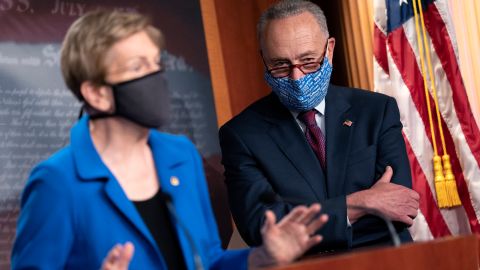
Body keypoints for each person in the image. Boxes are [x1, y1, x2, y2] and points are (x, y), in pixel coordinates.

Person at [11, 10, 329, 270]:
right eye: (138, 67)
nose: (156, 79)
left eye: (156, 65)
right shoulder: (57, 181)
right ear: (96, 93)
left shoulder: (181, 156)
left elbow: (208, 261)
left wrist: (262, 258)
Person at [219, 0, 420, 252]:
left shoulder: (376, 111)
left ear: (330, 50)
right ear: (264, 58)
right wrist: (361, 202)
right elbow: (260, 229)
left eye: (308, 61)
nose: (297, 77)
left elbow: (401, 208)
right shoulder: (242, 135)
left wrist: (306, 225)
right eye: (280, 65)